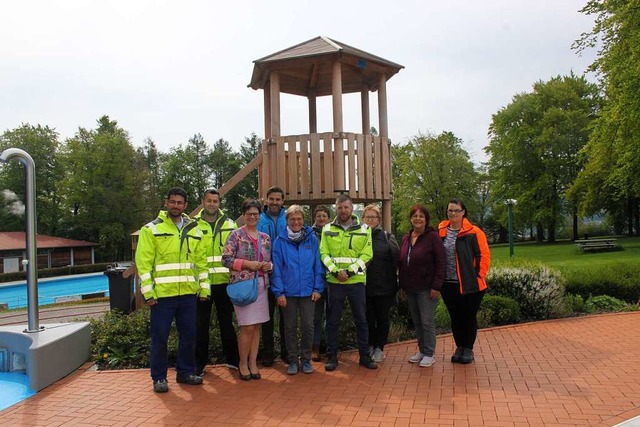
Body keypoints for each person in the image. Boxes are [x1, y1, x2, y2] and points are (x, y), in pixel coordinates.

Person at [136, 187, 210, 393]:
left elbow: (201, 263)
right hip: (162, 297)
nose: (176, 205)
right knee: (160, 337)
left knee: (189, 335)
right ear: (166, 203)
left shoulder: (194, 229)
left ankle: (185, 372)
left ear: (186, 206)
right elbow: (144, 264)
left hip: (188, 294)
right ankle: (159, 378)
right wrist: (148, 293)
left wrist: (204, 289)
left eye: (180, 203)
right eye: (173, 202)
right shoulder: (151, 229)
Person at [320, 194, 377, 371]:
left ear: (352, 209)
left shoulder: (364, 228)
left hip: (356, 282)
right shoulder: (327, 228)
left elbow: (367, 254)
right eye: (339, 207)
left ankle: (364, 356)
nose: (343, 210)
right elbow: (324, 254)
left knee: (361, 320)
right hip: (335, 282)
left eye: (346, 207)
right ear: (335, 208)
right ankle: (332, 357)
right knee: (332, 321)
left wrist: (350, 272)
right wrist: (337, 273)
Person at [222, 199, 272, 380]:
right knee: (247, 327)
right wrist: (247, 264)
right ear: (243, 215)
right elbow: (226, 259)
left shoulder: (265, 238)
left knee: (257, 326)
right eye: (249, 214)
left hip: (261, 285)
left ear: (260, 216)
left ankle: (253, 363)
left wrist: (269, 266)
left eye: (256, 214)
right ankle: (242, 363)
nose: (252, 217)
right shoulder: (235, 235)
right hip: (243, 287)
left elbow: (270, 260)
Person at [271, 205, 325, 375]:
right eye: (292, 219)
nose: (296, 222)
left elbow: (318, 266)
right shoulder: (279, 241)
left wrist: (318, 288)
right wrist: (279, 292)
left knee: (308, 327)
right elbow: (276, 269)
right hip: (288, 293)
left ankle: (307, 360)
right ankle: (293, 361)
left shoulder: (312, 239)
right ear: (287, 220)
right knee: (290, 328)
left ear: (303, 220)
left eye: (299, 219)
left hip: (309, 292)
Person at [438, 198, 490, 364]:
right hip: (448, 284)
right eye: (450, 210)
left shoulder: (474, 232)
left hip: (470, 285)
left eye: (456, 210)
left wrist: (478, 276)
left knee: (468, 317)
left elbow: (484, 256)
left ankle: (468, 349)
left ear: (463, 212)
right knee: (455, 317)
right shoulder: (441, 231)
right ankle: (459, 346)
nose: (453, 213)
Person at [194, 188, 240, 375]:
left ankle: (233, 361)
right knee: (200, 325)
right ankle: (199, 364)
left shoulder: (230, 224)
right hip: (202, 284)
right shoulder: (192, 225)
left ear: (219, 203)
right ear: (203, 202)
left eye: (215, 201)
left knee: (227, 324)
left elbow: (238, 251)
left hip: (225, 282)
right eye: (209, 201)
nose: (212, 204)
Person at [398, 204, 445, 368]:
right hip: (410, 288)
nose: (418, 219)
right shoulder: (406, 238)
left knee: (427, 322)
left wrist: (436, 286)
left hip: (427, 288)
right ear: (411, 219)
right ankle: (422, 350)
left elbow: (441, 263)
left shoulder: (433, 238)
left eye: (421, 216)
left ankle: (429, 353)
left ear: (426, 220)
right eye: (415, 216)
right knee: (417, 322)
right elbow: (403, 263)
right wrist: (402, 286)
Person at [362, 204, 400, 363]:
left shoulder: (387, 237)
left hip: (385, 287)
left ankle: (380, 348)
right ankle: (370, 344)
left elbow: (396, 260)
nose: (370, 220)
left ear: (378, 219)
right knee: (368, 319)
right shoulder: (359, 236)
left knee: (383, 319)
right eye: (367, 217)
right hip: (364, 287)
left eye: (373, 217)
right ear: (363, 219)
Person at [257, 186, 288, 366]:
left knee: (286, 317)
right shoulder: (258, 218)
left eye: (278, 199)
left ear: (282, 201)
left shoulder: (289, 218)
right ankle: (268, 352)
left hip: (285, 274)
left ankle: (286, 351)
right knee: (266, 316)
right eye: (272, 199)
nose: (275, 202)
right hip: (264, 273)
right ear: (265, 199)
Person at [311, 205, 331, 361]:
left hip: (332, 280)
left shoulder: (334, 233)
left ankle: (331, 347)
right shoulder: (309, 235)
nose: (321, 219)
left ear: (329, 218)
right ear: (314, 218)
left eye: (324, 216)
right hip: (315, 281)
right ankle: (315, 347)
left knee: (332, 316)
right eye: (319, 216)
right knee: (316, 317)